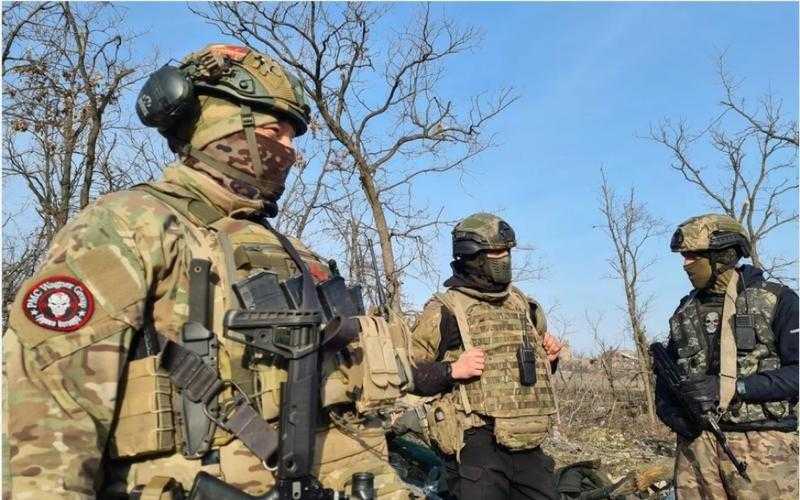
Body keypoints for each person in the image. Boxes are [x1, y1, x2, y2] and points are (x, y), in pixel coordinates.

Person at [3, 44, 411, 499]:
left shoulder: (288, 249)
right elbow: (47, 418)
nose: (290, 152)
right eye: (275, 132)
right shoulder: (130, 226)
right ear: (222, 127)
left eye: (293, 139)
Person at [409, 213, 563, 500]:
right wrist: (452, 370)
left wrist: (549, 360)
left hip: (526, 442)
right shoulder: (445, 310)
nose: (504, 259)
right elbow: (408, 374)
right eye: (496, 253)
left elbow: (526, 374)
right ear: (472, 257)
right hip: (475, 444)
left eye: (507, 252)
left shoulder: (522, 306)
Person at [655, 213, 798, 499]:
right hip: (696, 451)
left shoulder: (777, 300)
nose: (685, 264)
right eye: (683, 256)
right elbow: (666, 379)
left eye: (693, 255)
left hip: (762, 448)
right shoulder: (684, 311)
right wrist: (669, 412)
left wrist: (733, 388)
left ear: (724, 255)